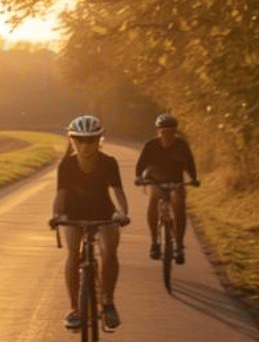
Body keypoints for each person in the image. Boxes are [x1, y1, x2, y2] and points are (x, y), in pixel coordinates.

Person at [50, 114, 131, 330]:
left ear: (99, 140)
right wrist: (56, 215)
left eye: (91, 140)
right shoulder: (66, 165)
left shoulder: (109, 163)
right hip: (73, 213)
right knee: (73, 253)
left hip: (103, 212)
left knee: (110, 250)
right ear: (72, 140)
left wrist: (123, 213)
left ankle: (108, 302)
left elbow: (117, 191)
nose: (85, 145)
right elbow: (60, 195)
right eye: (79, 140)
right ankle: (74, 308)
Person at [134, 112, 199, 264]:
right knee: (154, 199)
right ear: (158, 132)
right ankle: (155, 243)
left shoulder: (182, 145)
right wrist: (139, 177)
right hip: (156, 180)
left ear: (175, 132)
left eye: (171, 132)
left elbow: (190, 164)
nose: (167, 136)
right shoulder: (150, 145)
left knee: (179, 204)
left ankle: (179, 245)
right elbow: (141, 164)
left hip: (175, 180)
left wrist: (194, 179)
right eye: (164, 132)